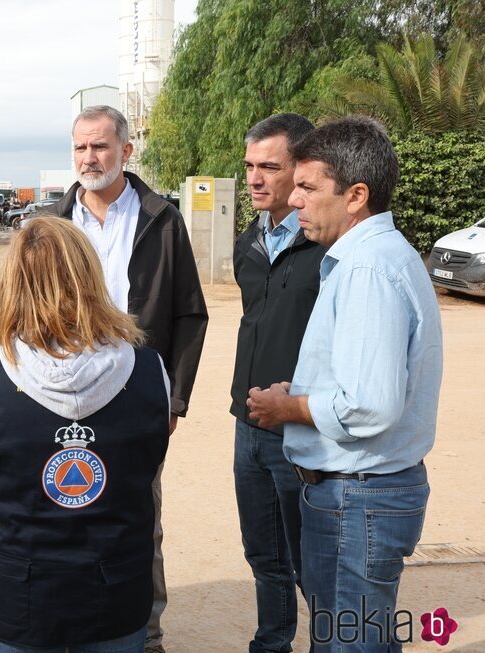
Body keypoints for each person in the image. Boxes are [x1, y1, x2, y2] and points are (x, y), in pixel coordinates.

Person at [247, 116, 443, 653]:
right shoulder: (372, 259)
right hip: (359, 495)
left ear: (356, 195)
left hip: (358, 496)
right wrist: (305, 390)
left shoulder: (366, 269)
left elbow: (369, 406)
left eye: (308, 187)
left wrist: (289, 406)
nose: (296, 199)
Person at [0, 217, 171, 652]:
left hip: (18, 592)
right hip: (116, 590)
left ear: (13, 283)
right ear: (90, 276)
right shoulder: (151, 370)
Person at [47, 104, 208, 653]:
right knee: (63, 513)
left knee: (140, 520)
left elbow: (189, 314)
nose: (89, 158)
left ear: (125, 150)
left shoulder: (162, 220)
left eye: (100, 146)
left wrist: (174, 400)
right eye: (80, 148)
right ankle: (69, 626)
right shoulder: (49, 225)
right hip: (59, 398)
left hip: (138, 401)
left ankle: (146, 633)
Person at [231, 113, 323, 653]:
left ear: (302, 170)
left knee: (313, 562)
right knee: (263, 555)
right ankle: (271, 644)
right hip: (248, 425)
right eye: (249, 167)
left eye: (270, 166)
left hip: (301, 429)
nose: (256, 179)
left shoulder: (327, 247)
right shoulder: (250, 241)